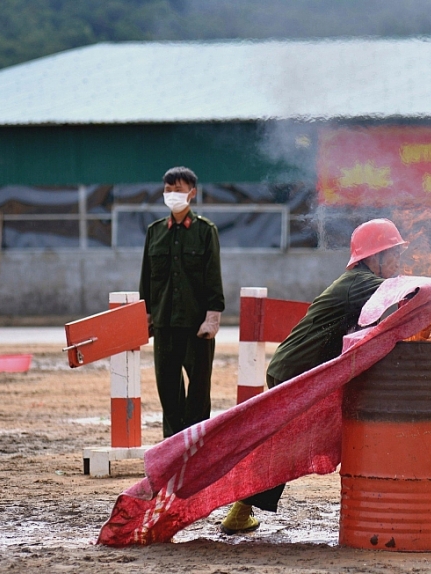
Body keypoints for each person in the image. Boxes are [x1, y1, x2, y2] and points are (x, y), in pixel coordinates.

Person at [220, 218, 408, 535]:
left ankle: (242, 509)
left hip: (297, 369)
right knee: (286, 447)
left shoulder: (358, 282)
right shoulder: (359, 282)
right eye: (393, 254)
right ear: (373, 258)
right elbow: (403, 293)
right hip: (295, 371)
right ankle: (239, 507)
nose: (398, 262)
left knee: (289, 444)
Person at [139, 166, 224, 439]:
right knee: (167, 390)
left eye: (178, 190)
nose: (172, 195)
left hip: (197, 326)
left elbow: (213, 276)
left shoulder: (205, 231)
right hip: (164, 325)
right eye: (168, 190)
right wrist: (146, 316)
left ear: (192, 193)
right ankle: (173, 449)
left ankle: (197, 446)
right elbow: (146, 279)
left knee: (199, 390)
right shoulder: (154, 233)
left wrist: (213, 315)